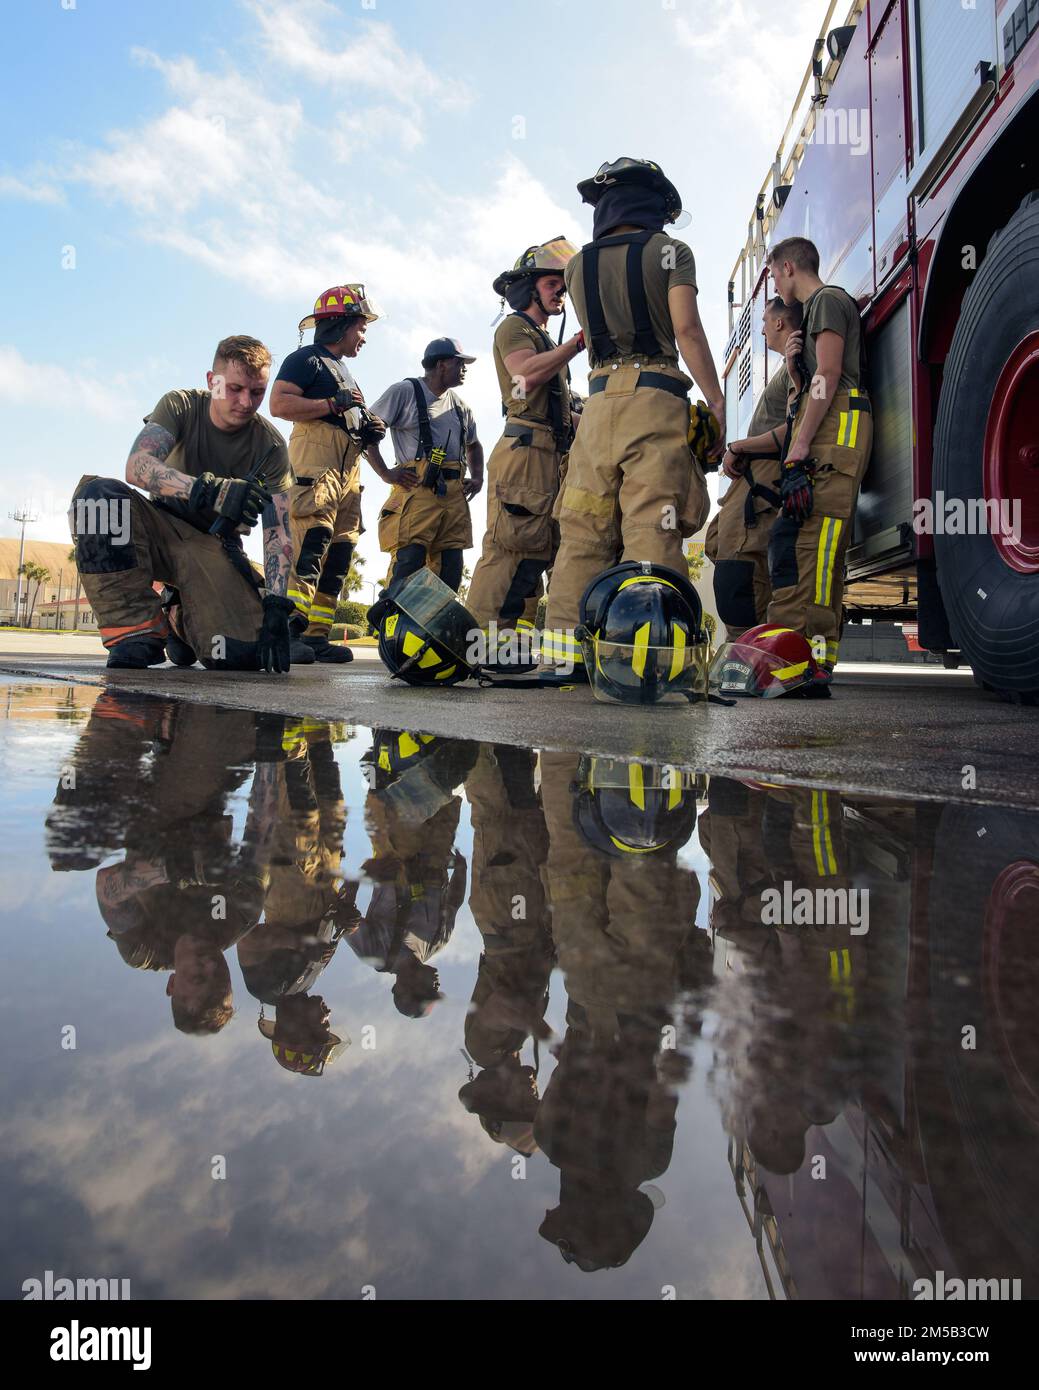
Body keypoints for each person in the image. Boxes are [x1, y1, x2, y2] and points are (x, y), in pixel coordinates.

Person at [541, 158, 726, 682]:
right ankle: (648, 660)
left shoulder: (576, 267)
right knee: (650, 525)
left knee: (582, 531)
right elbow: (686, 329)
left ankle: (563, 657)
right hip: (655, 397)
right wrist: (716, 401)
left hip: (597, 408)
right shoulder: (671, 252)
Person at [70, 335, 303, 672]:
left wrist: (277, 606)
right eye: (234, 388)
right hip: (157, 528)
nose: (244, 402)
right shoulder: (180, 405)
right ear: (212, 381)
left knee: (238, 655)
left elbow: (278, 533)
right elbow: (137, 466)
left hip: (213, 545)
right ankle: (135, 631)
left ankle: (177, 617)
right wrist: (212, 491)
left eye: (256, 392)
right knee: (98, 499)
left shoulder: (270, 446)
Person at [466, 238, 584, 666]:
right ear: (528, 288)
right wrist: (577, 343)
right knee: (510, 548)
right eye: (554, 283)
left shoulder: (542, 339)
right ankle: (481, 647)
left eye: (562, 286)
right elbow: (523, 376)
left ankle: (509, 649)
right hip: (525, 451)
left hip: (547, 454)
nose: (560, 293)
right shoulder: (515, 327)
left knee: (536, 551)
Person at [765, 236, 873, 690]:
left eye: (772, 272)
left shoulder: (826, 300)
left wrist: (798, 446)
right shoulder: (814, 312)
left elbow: (829, 375)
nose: (774, 282)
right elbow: (817, 377)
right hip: (830, 429)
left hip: (837, 431)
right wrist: (794, 373)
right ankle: (805, 657)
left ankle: (810, 662)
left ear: (789, 267)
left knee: (821, 549)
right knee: (806, 541)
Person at [270, 284, 386, 663]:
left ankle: (317, 635)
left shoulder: (348, 374)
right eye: (361, 328)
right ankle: (287, 631)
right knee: (310, 544)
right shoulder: (306, 360)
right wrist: (328, 403)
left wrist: (370, 430)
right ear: (339, 324)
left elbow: (351, 418)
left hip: (348, 468)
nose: (364, 338)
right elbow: (279, 403)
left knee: (339, 555)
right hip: (315, 460)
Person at [705, 296, 803, 640]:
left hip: (765, 480)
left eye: (764, 321)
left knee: (741, 567)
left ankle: (751, 651)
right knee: (725, 552)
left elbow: (796, 427)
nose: (760, 328)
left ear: (779, 323)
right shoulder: (785, 371)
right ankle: (744, 648)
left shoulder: (798, 365)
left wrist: (740, 446)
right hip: (752, 480)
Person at [366, 339, 484, 598]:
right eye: (459, 363)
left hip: (453, 497)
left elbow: (474, 446)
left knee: (450, 570)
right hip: (417, 490)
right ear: (441, 364)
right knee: (409, 563)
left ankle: (432, 635)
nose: (464, 369)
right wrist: (386, 473)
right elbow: (366, 433)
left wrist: (477, 478)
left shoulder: (462, 407)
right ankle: (392, 630)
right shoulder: (404, 391)